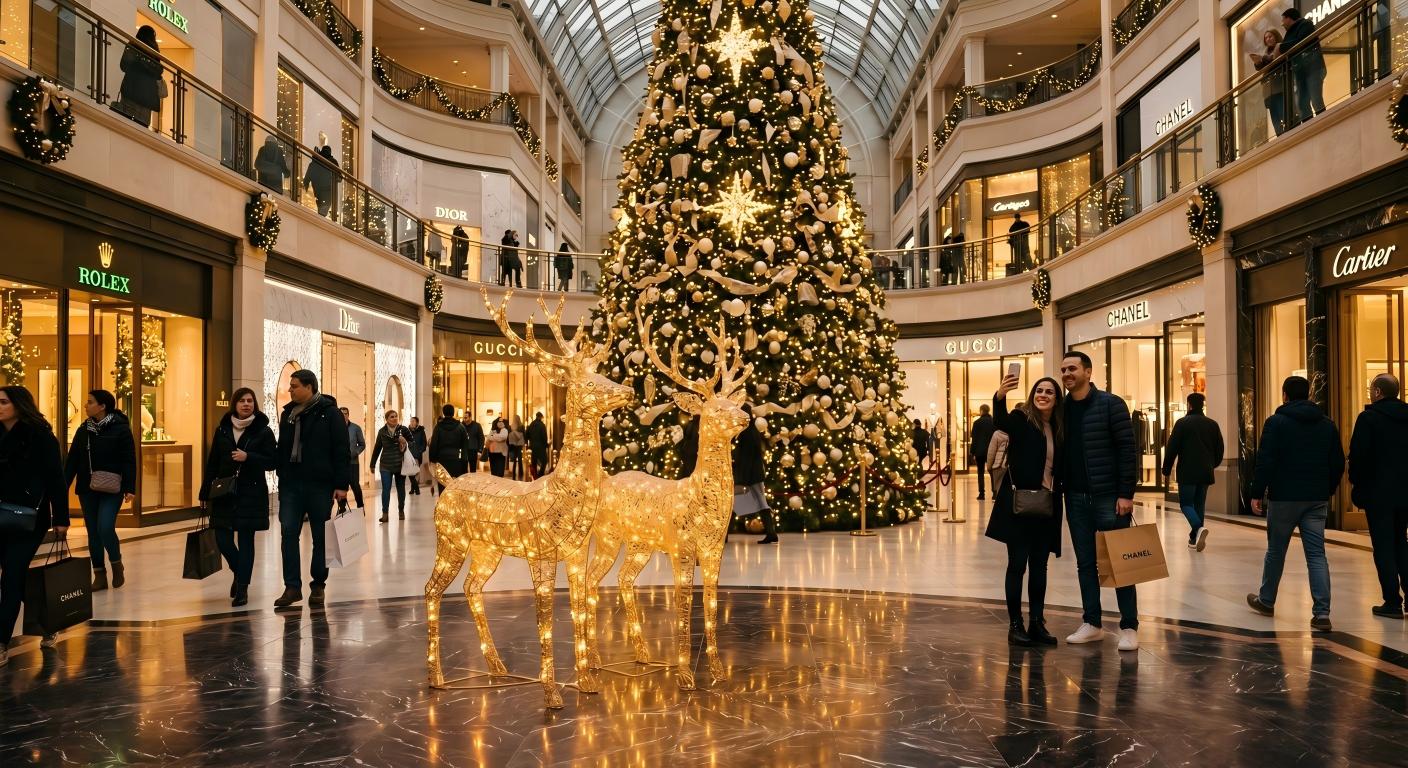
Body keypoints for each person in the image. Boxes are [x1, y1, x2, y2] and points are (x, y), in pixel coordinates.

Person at [1247, 375, 1343, 631]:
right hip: (1315, 499)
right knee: (1317, 555)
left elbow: (1265, 461)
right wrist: (1327, 489)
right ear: (1309, 393)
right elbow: (1337, 463)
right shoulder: (1327, 424)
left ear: (1285, 395)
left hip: (1284, 498)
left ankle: (1266, 600)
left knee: (1276, 551)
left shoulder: (1276, 423)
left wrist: (1257, 493)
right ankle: (1322, 613)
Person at [1059, 351, 1140, 651]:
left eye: (1073, 368)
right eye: (1064, 369)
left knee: (1120, 563)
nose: (1067, 373)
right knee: (1085, 564)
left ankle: (1129, 626)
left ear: (1088, 372)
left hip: (1109, 497)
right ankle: (1092, 622)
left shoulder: (1111, 404)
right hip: (1075, 498)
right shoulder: (1062, 409)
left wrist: (1125, 494)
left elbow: (1127, 450)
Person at [987, 375, 1064, 647]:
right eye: (1039, 391)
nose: (1043, 395)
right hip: (1019, 505)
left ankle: (1037, 623)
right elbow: (1000, 421)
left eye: (1049, 392)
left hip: (1048, 505)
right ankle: (1015, 625)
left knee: (1040, 567)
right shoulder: (1022, 420)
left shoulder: (1058, 427)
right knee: (1017, 564)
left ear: (1057, 399)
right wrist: (1000, 395)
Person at [0, 386, 68, 664]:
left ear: (19, 405)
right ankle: (48, 623)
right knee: (16, 579)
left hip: (27, 519)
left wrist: (61, 519)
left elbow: (56, 480)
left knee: (11, 576)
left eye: (3, 402)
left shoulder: (41, 437)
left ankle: (2, 642)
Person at [274, 370, 349, 608]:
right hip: (291, 485)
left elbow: (341, 450)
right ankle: (292, 587)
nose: (290, 390)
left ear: (309, 387)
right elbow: (282, 448)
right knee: (288, 534)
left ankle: (318, 585)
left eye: (294, 386)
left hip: (319, 485)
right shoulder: (288, 415)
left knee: (320, 536)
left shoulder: (330, 414)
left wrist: (341, 485)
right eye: (290, 386)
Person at [198, 388, 276, 608]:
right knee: (223, 540)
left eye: (250, 400)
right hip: (224, 493)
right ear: (234, 404)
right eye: (242, 401)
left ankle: (242, 589)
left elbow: (272, 461)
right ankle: (239, 571)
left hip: (250, 492)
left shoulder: (263, 431)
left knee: (246, 540)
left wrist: (248, 457)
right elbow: (212, 462)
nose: (246, 404)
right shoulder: (222, 430)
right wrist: (205, 492)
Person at [1348, 374, 1408, 619]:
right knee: (1401, 542)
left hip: (1377, 493)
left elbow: (1358, 456)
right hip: (1405, 493)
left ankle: (1392, 600)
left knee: (1383, 545)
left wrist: (1357, 483)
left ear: (1378, 392)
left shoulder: (1369, 418)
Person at [64, 389, 135, 592]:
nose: (85, 405)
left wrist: (130, 487)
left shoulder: (120, 429)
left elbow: (129, 459)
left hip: (112, 487)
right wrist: (62, 488)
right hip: (87, 487)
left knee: (105, 528)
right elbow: (72, 461)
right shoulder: (83, 429)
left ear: (102, 406)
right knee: (93, 533)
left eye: (90, 402)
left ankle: (116, 563)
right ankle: (99, 575)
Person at [1161, 392, 1224, 552]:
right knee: (1199, 505)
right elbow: (1220, 449)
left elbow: (1172, 447)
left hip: (1187, 472)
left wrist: (1166, 468)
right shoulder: (1212, 424)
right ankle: (1193, 538)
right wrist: (1212, 464)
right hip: (1205, 472)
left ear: (1189, 405)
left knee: (1186, 504)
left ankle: (1197, 528)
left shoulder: (1182, 423)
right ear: (1202, 405)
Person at [732, 405, 778, 544]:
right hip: (755, 473)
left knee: (759, 502)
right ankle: (771, 533)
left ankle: (771, 533)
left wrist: (741, 476)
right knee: (760, 501)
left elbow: (746, 457)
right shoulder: (751, 431)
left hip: (752, 474)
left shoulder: (747, 433)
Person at [1280, 8, 1326, 126]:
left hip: (1313, 67)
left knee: (1316, 98)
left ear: (1289, 18)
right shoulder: (1289, 33)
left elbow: (1299, 42)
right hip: (1300, 71)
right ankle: (1309, 127)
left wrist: (1280, 47)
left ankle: (1324, 124)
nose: (1282, 23)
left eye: (1283, 20)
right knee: (1302, 103)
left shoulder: (1306, 24)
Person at [112, 25, 164, 128]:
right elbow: (159, 71)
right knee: (141, 126)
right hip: (147, 96)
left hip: (131, 89)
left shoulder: (133, 45)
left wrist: (137, 63)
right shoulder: (154, 52)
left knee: (124, 123)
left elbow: (123, 66)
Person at [369, 410, 412, 523]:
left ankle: (401, 510)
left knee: (401, 489)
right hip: (385, 465)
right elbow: (377, 448)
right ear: (386, 419)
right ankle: (385, 514)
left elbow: (413, 442)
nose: (394, 418)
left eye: (396, 416)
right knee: (386, 490)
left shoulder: (404, 430)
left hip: (400, 464)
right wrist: (372, 464)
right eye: (392, 417)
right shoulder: (382, 432)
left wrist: (406, 443)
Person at [1250, 29, 1287, 137]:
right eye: (1266, 38)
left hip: (1279, 86)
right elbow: (1262, 68)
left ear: (1276, 36)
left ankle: (1287, 132)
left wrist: (1262, 58)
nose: (1268, 39)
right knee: (1274, 115)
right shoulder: (1266, 52)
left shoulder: (1279, 46)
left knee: (1282, 112)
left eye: (1270, 36)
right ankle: (1279, 135)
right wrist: (1257, 62)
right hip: (1269, 90)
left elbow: (1275, 59)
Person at [429, 404, 470, 488]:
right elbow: (465, 445)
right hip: (456, 459)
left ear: (443, 413)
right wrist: (464, 461)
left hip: (441, 460)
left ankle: (443, 500)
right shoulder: (460, 427)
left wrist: (432, 459)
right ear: (453, 412)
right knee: (455, 485)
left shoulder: (438, 427)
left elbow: (433, 444)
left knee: (442, 484)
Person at [337, 407, 366, 513]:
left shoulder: (355, 428)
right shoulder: (335, 428)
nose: (343, 415)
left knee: (355, 485)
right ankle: (342, 508)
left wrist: (355, 452)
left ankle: (360, 507)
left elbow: (362, 444)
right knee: (340, 485)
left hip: (353, 463)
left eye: (345, 413)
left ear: (348, 415)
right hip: (339, 463)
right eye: (341, 413)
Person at [304, 145, 340, 220]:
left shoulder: (315, 162)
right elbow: (340, 177)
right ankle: (321, 219)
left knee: (321, 208)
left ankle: (320, 219)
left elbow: (307, 178)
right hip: (328, 190)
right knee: (324, 209)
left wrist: (306, 188)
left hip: (318, 191)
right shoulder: (333, 162)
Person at [970, 405, 996, 500]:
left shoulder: (977, 422)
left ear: (981, 410)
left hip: (979, 451)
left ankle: (982, 494)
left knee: (980, 472)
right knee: (992, 472)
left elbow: (974, 439)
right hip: (991, 451)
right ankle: (995, 493)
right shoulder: (994, 422)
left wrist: (972, 452)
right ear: (988, 411)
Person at [526, 411, 550, 479]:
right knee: (544, 461)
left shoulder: (531, 424)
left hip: (533, 446)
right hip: (541, 446)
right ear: (541, 417)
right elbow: (544, 436)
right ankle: (540, 474)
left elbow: (527, 435)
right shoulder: (542, 425)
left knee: (534, 462)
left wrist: (530, 442)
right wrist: (546, 445)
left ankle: (535, 476)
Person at [407, 416, 428, 495]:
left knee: (416, 472)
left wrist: (420, 451)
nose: (411, 422)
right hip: (408, 454)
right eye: (411, 421)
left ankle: (414, 489)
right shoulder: (407, 431)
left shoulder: (421, 431)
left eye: (413, 421)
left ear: (417, 423)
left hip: (417, 455)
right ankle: (415, 488)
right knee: (410, 472)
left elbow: (424, 443)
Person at [507, 415, 526, 481]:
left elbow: (508, 435)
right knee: (520, 458)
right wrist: (524, 443)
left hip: (513, 444)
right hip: (519, 444)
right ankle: (521, 472)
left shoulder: (511, 426)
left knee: (514, 459)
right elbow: (524, 435)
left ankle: (513, 473)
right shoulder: (521, 426)